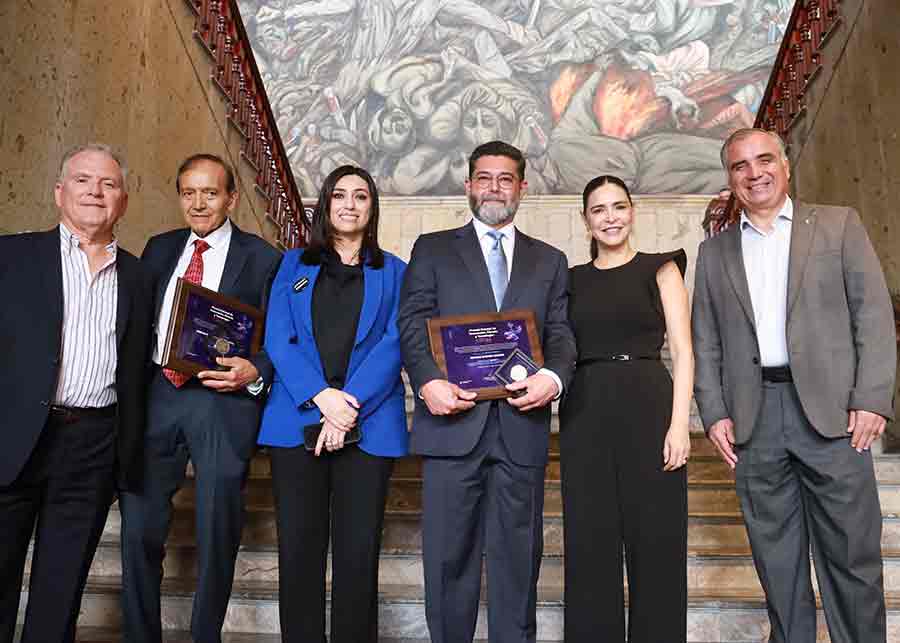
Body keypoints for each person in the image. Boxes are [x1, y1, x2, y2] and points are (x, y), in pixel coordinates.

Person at [692, 127, 896, 643]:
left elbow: (872, 316)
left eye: (764, 160)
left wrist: (872, 398)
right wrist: (714, 411)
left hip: (833, 419)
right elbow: (706, 340)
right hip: (755, 421)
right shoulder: (715, 254)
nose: (754, 172)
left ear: (786, 166)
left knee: (852, 557)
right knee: (777, 566)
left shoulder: (837, 225)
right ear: (730, 178)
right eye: (740, 165)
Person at [397, 140, 577, 643]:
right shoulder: (432, 249)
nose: (493, 187)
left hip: (521, 430)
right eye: (484, 177)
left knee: (518, 562)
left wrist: (554, 378)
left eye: (504, 179)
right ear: (468, 184)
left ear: (522, 187)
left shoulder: (550, 260)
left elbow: (560, 333)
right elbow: (411, 323)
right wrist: (428, 382)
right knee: (447, 558)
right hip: (451, 425)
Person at [119, 153, 282, 643]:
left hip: (221, 402)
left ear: (231, 198)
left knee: (216, 531)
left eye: (210, 192)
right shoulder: (158, 248)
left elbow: (281, 336)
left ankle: (204, 635)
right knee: (138, 529)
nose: (198, 203)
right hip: (158, 397)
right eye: (188, 192)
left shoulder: (264, 257)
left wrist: (256, 371)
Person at [0, 143, 152, 643]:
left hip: (92, 446)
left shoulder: (139, 276)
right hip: (14, 439)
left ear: (123, 202)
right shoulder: (12, 256)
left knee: (60, 591)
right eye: (84, 180)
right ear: (59, 192)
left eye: (109, 184)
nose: (96, 191)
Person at [257, 165, 408, 642]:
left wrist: (349, 406)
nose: (349, 204)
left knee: (357, 555)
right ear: (325, 205)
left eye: (360, 196)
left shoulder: (397, 272)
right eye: (339, 195)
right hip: (296, 420)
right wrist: (322, 398)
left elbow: (394, 342)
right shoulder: (292, 264)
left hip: (370, 427)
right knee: (298, 552)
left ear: (372, 208)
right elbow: (279, 339)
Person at [561, 175, 692, 642]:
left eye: (619, 207)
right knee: (589, 539)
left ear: (633, 212)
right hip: (584, 411)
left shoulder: (661, 268)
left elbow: (684, 350)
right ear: (586, 220)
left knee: (656, 539)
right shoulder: (569, 280)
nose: (610, 217)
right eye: (599, 209)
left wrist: (679, 426)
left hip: (649, 405)